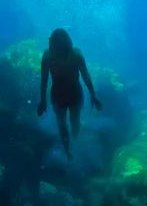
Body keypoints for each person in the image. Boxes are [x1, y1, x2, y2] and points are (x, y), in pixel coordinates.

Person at [37, 28, 103, 159]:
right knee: (61, 123)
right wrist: (42, 101)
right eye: (54, 45)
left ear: (65, 44)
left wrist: (94, 96)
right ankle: (68, 150)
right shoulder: (47, 57)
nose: (55, 48)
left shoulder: (76, 56)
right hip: (58, 94)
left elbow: (86, 76)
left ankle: (75, 140)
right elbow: (44, 80)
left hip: (74, 93)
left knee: (74, 120)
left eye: (58, 45)